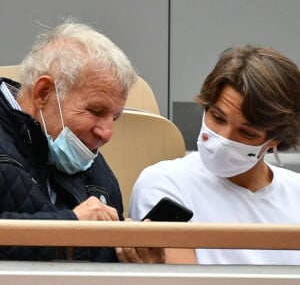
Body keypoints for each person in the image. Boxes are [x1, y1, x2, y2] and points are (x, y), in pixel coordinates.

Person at [0, 18, 164, 263]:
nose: (107, 134)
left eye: (115, 118)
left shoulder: (98, 174)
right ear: (44, 93)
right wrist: (70, 228)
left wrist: (133, 262)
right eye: (96, 111)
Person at [129, 45, 300, 264]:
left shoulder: (295, 193)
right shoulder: (165, 183)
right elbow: (185, 280)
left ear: (274, 139)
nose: (224, 139)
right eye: (218, 118)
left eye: (247, 132)